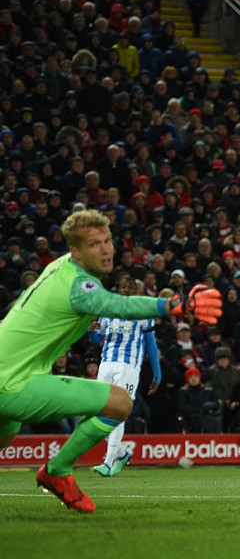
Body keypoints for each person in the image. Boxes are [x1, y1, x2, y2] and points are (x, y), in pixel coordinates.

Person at [0, 210, 221, 513]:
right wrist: (172, 304)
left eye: (107, 240)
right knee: (119, 403)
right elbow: (115, 304)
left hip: (11, 371)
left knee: (6, 431)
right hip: (11, 384)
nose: (105, 250)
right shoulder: (79, 286)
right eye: (94, 244)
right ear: (76, 251)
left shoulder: (59, 266)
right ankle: (57, 471)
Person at [88, 273, 161, 477]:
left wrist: (157, 372)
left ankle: (108, 462)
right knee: (98, 413)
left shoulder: (142, 312)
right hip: (106, 363)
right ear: (118, 289)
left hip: (129, 366)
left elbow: (151, 344)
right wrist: (91, 331)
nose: (127, 290)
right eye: (124, 287)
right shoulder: (108, 310)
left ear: (136, 291)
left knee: (117, 411)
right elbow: (97, 339)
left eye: (130, 287)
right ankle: (121, 454)